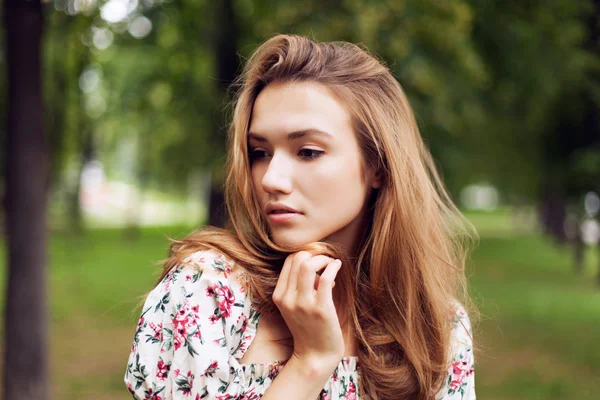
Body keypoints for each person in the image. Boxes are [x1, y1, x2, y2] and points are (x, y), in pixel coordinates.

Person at [124, 34, 476, 400]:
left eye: (307, 152)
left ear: (378, 167)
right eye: (259, 152)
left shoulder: (436, 328)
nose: (271, 179)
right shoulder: (207, 294)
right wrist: (310, 362)